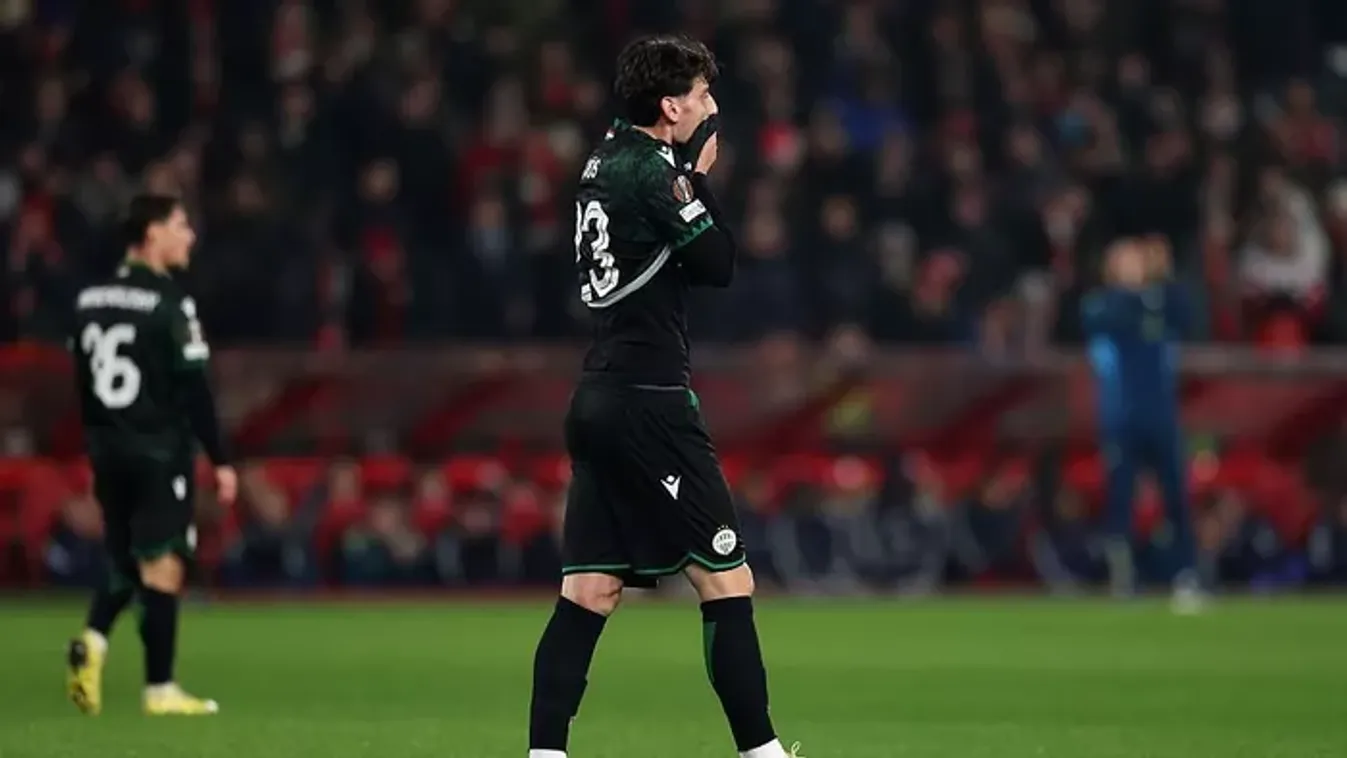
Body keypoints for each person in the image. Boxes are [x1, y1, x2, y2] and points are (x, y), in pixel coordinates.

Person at [527, 36, 800, 758]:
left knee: (589, 591)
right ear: (671, 106)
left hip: (597, 396)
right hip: (649, 400)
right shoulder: (655, 169)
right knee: (727, 578)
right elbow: (717, 263)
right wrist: (697, 177)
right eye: (703, 94)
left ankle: (544, 753)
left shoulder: (599, 160)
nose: (712, 107)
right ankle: (763, 752)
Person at [66, 193, 236, 715]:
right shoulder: (170, 303)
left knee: (124, 559)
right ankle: (160, 688)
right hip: (158, 449)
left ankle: (93, 639)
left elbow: (81, 381)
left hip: (107, 448)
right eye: (180, 225)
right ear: (152, 233)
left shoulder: (89, 300)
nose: (190, 236)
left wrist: (97, 440)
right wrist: (220, 458)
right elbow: (195, 388)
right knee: (163, 564)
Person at [1082, 238, 1204, 613]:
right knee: (1120, 498)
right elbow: (1101, 321)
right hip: (1121, 417)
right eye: (1124, 260)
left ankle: (1186, 575)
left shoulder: (1164, 301)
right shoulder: (1102, 306)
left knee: (1176, 496)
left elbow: (1188, 314)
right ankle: (1123, 575)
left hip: (1161, 415)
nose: (1133, 266)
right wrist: (1140, 297)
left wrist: (1162, 278)